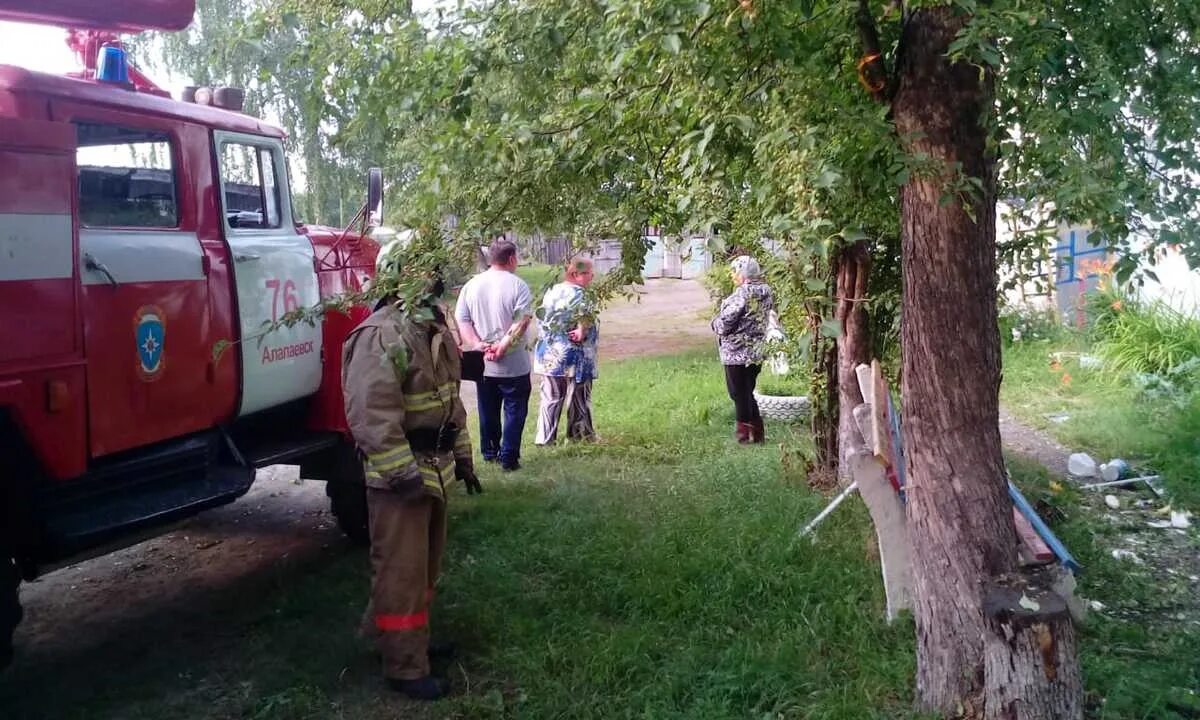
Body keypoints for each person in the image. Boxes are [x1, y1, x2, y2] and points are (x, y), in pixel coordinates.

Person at [341, 261, 482, 701]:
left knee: (423, 569)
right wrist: (401, 473)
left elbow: (450, 402)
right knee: (400, 573)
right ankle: (403, 667)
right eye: (425, 272)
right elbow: (371, 415)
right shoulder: (381, 335)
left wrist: (462, 458)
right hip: (400, 479)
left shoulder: (428, 327)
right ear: (399, 278)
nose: (435, 280)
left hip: (433, 471)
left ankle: (410, 643)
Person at [454, 238, 534, 471]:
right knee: (514, 410)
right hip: (514, 364)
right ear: (511, 259)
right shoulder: (518, 285)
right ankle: (509, 457)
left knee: (487, 408)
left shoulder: (471, 285)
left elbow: (463, 319)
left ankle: (490, 452)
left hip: (483, 363)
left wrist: (477, 343)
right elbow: (522, 321)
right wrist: (503, 346)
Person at [534, 256, 599, 445]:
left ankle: (545, 439)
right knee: (579, 397)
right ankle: (580, 435)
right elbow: (585, 318)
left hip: (550, 355)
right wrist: (582, 331)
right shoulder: (583, 295)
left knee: (550, 397)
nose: (591, 276)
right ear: (575, 274)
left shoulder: (551, 292)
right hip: (577, 356)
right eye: (588, 273)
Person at [711, 255, 775, 444]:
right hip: (756, 352)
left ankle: (744, 437)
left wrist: (714, 322)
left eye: (734, 271)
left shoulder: (741, 294)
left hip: (736, 354)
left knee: (738, 393)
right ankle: (758, 434)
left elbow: (725, 324)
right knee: (746, 391)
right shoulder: (766, 292)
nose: (732, 275)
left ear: (743, 273)